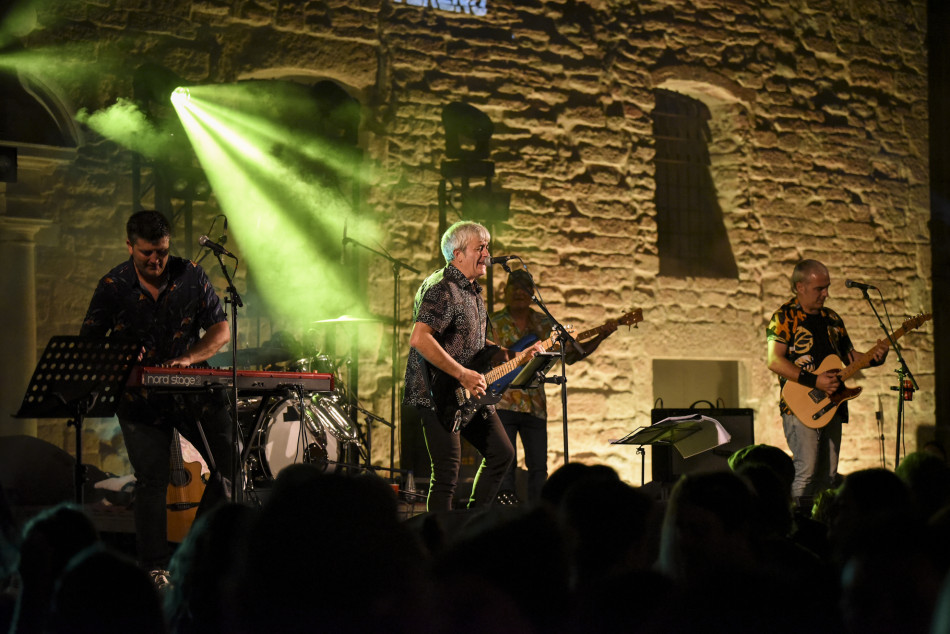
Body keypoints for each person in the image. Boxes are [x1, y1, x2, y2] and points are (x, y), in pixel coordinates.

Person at [80, 210, 234, 583]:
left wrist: (190, 357)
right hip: (139, 398)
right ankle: (154, 569)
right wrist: (119, 357)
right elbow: (88, 344)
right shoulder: (113, 285)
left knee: (233, 462)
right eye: (147, 252)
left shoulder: (191, 274)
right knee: (151, 480)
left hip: (193, 388)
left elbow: (221, 329)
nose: (156, 260)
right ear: (129, 246)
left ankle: (192, 552)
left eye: (162, 251)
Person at [403, 220, 541, 511]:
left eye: (487, 247)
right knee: (446, 475)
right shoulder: (442, 287)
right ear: (458, 253)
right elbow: (420, 339)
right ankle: (439, 542)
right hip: (436, 395)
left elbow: (474, 344)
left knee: (502, 453)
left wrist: (510, 354)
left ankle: (472, 522)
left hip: (465, 392)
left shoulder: (472, 291)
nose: (487, 254)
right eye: (480, 248)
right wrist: (463, 373)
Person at [766, 259, 888, 509]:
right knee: (807, 470)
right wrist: (815, 381)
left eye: (827, 287)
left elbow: (851, 359)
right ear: (800, 287)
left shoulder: (832, 318)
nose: (826, 294)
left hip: (833, 401)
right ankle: (797, 526)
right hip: (800, 405)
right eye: (819, 288)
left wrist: (874, 359)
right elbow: (774, 360)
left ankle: (822, 527)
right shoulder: (784, 316)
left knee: (830, 475)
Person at [489, 269, 615, 504]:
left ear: (532, 293)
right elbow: (483, 358)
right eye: (514, 287)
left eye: (525, 288)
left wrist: (601, 335)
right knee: (505, 465)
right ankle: (504, 515)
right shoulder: (493, 322)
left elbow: (573, 354)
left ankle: (540, 516)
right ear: (504, 292)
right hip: (502, 402)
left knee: (539, 468)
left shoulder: (545, 323)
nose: (519, 292)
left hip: (535, 406)